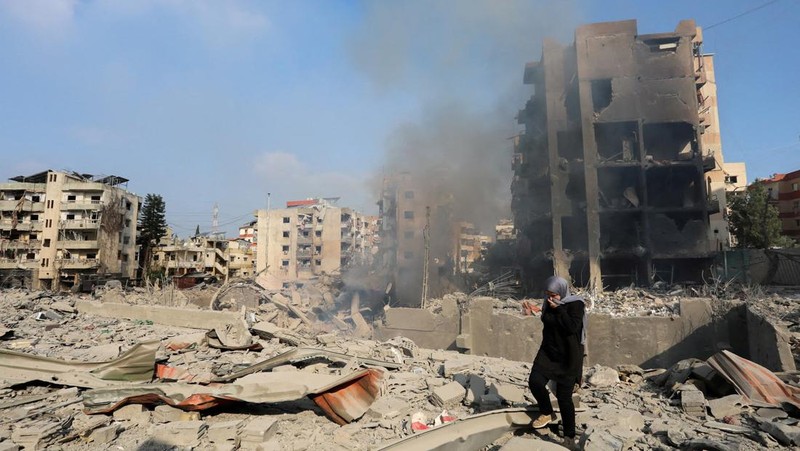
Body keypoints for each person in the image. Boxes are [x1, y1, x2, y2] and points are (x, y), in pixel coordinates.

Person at [527, 276, 587, 450]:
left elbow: (572, 328)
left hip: (569, 356)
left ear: (562, 291)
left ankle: (569, 438)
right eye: (547, 294)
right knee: (535, 382)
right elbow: (546, 321)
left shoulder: (577, 304)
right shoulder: (548, 304)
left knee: (564, 399)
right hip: (548, 352)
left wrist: (559, 311)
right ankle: (547, 412)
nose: (550, 297)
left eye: (553, 294)